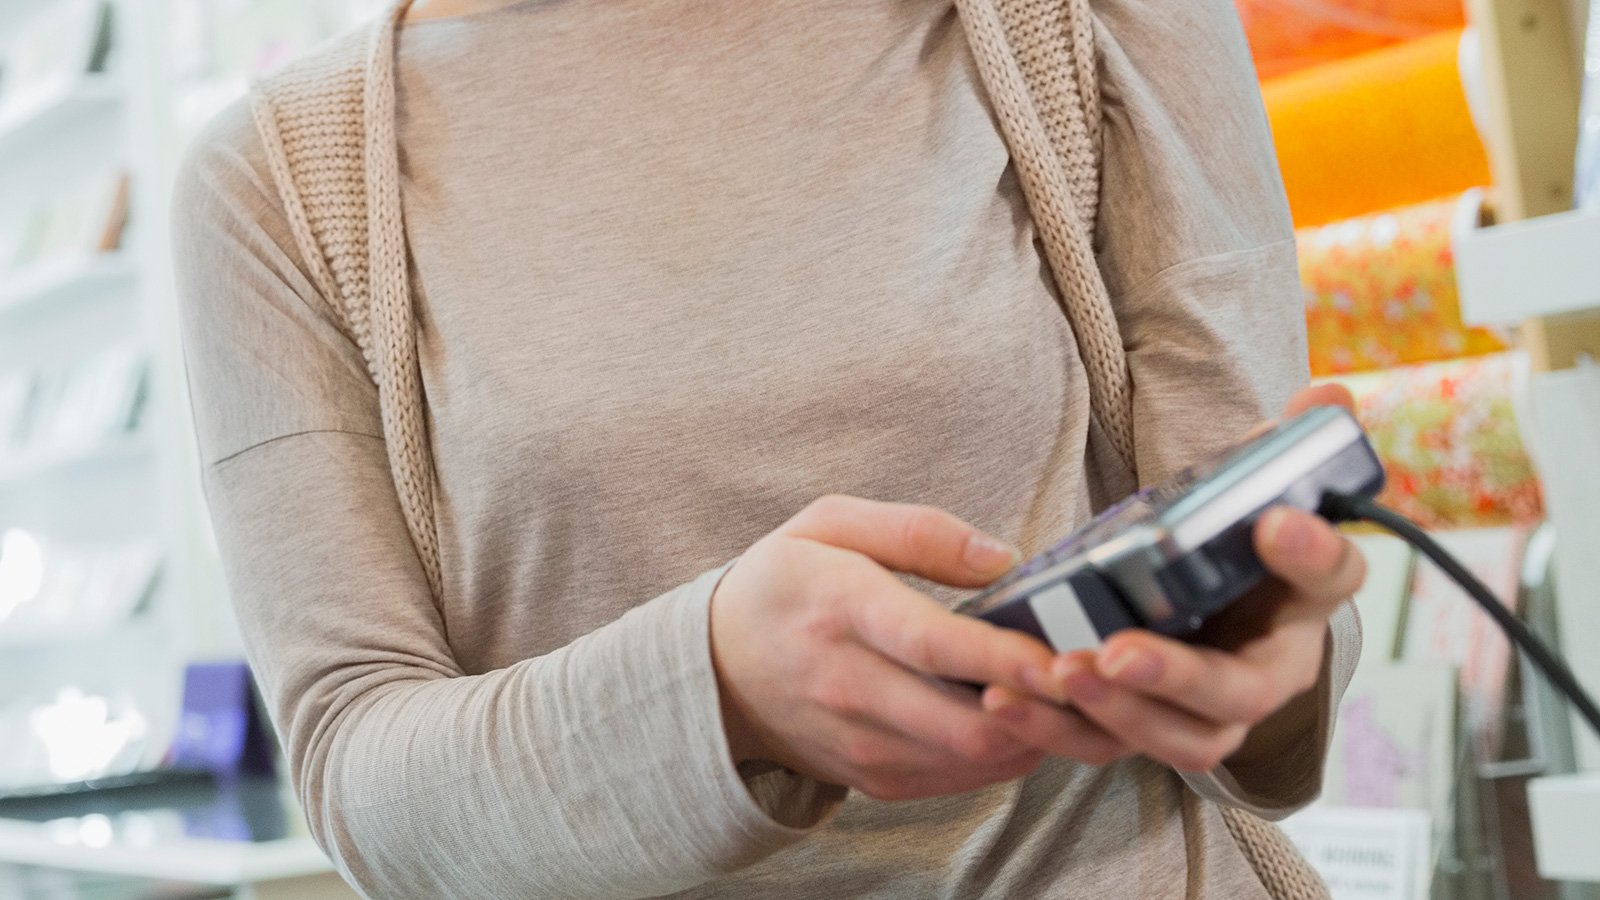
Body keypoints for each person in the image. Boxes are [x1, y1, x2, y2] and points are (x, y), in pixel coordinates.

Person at [171, 0, 1366, 896]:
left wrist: (1264, 657)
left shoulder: (1074, 16)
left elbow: (1249, 584)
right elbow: (362, 780)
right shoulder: (277, 182)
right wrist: (718, 692)